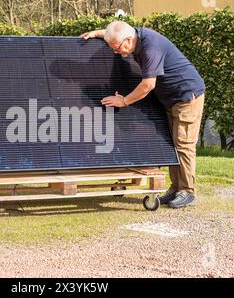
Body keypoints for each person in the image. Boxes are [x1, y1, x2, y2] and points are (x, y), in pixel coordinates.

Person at [81, 21, 205, 209]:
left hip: (186, 96)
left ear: (128, 41)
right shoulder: (132, 37)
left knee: (183, 144)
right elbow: (119, 31)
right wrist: (97, 33)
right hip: (171, 99)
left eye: (117, 47)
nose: (116, 52)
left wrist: (124, 101)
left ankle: (187, 191)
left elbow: (148, 85)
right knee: (173, 144)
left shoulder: (151, 47)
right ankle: (176, 188)